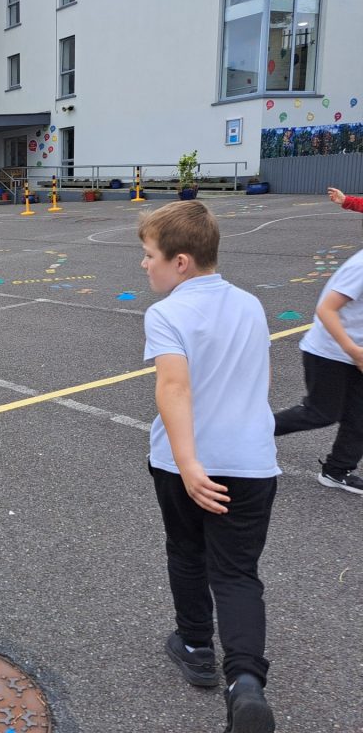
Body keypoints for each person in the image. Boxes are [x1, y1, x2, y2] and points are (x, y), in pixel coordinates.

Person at [139, 201, 278, 733]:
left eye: (149, 255)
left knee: (186, 551)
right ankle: (245, 683)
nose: (144, 264)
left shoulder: (166, 313)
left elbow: (173, 386)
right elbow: (256, 379)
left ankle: (196, 645)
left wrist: (189, 463)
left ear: (180, 262)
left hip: (184, 463)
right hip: (251, 462)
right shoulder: (250, 304)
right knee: (237, 573)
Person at [273, 186, 363, 494]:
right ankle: (244, 437)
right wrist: (353, 350)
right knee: (320, 413)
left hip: (354, 351)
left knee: (359, 415)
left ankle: (337, 471)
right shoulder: (361, 267)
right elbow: (326, 309)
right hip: (329, 351)